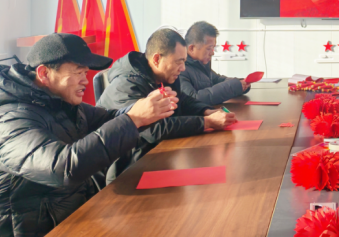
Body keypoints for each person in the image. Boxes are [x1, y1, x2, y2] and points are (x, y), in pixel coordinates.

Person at [0, 33, 175, 237]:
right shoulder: (5, 120)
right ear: (44, 73)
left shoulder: (56, 103)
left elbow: (108, 119)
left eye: (86, 72)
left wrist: (146, 110)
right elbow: (62, 169)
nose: (86, 80)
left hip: (62, 230)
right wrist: (133, 119)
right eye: (78, 72)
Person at [97, 28, 236, 178]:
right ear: (157, 59)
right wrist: (206, 122)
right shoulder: (126, 85)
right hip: (122, 169)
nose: (183, 68)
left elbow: (182, 99)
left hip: (153, 155)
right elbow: (153, 130)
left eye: (184, 61)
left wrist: (206, 111)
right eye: (178, 62)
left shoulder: (163, 76)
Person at [182, 21, 250, 105]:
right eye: (209, 48)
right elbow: (193, 99)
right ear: (192, 48)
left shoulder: (200, 65)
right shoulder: (180, 69)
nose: (212, 53)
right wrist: (233, 86)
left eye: (213, 48)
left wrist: (240, 83)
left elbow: (217, 80)